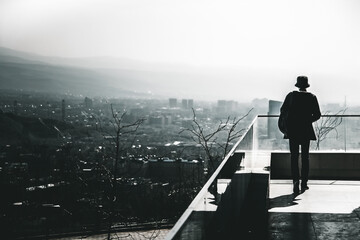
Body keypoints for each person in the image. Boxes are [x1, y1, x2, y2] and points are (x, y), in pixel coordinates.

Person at [280, 76, 321, 195]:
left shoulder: (291, 96)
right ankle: (304, 182)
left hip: (292, 130)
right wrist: (307, 120)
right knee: (305, 157)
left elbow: (283, 110)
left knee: (294, 157)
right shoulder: (312, 97)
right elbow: (317, 114)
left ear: (297, 85)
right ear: (307, 86)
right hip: (305, 130)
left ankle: (295, 182)